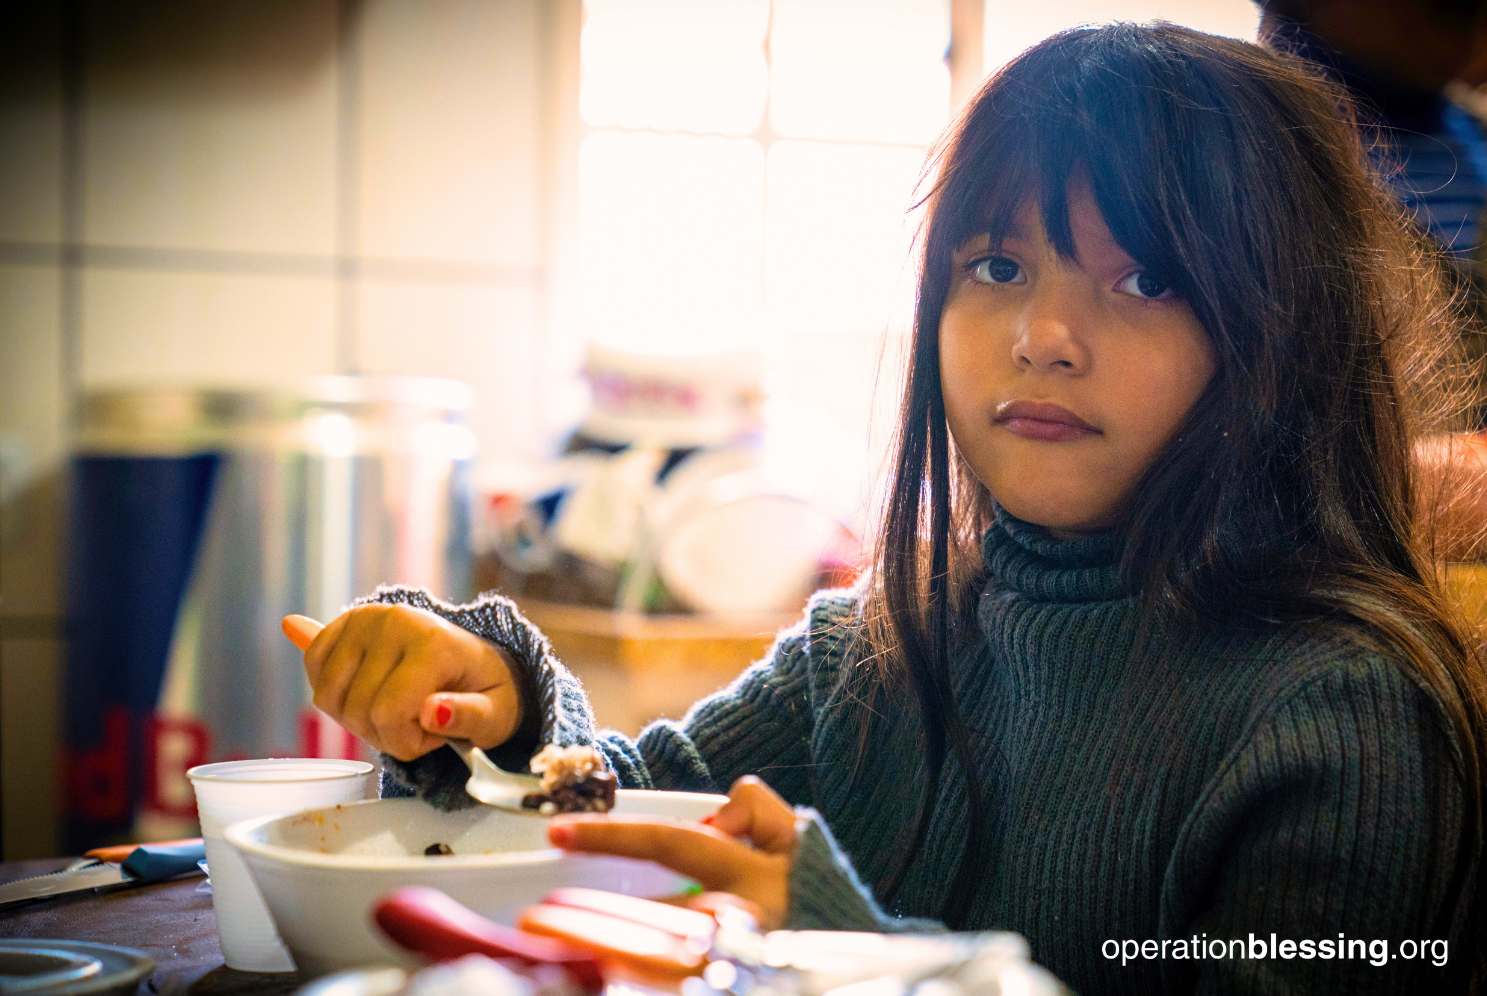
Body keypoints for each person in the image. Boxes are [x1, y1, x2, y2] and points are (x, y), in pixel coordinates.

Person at [295, 24, 1487, 994]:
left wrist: (843, 951)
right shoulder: (877, 646)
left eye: (1145, 279)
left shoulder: (1341, 719)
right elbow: (624, 820)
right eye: (997, 265)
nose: (1041, 336)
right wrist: (492, 714)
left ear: (1286, 340)